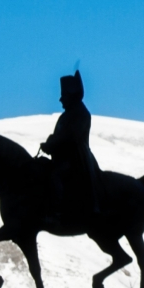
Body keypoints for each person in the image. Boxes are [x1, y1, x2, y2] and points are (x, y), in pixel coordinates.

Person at [40, 70, 101, 220]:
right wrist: (49, 142)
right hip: (62, 156)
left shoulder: (82, 114)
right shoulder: (66, 115)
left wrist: (53, 145)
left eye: (64, 96)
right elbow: (59, 135)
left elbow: (71, 138)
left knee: (56, 175)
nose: (61, 100)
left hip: (76, 157)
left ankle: (57, 211)